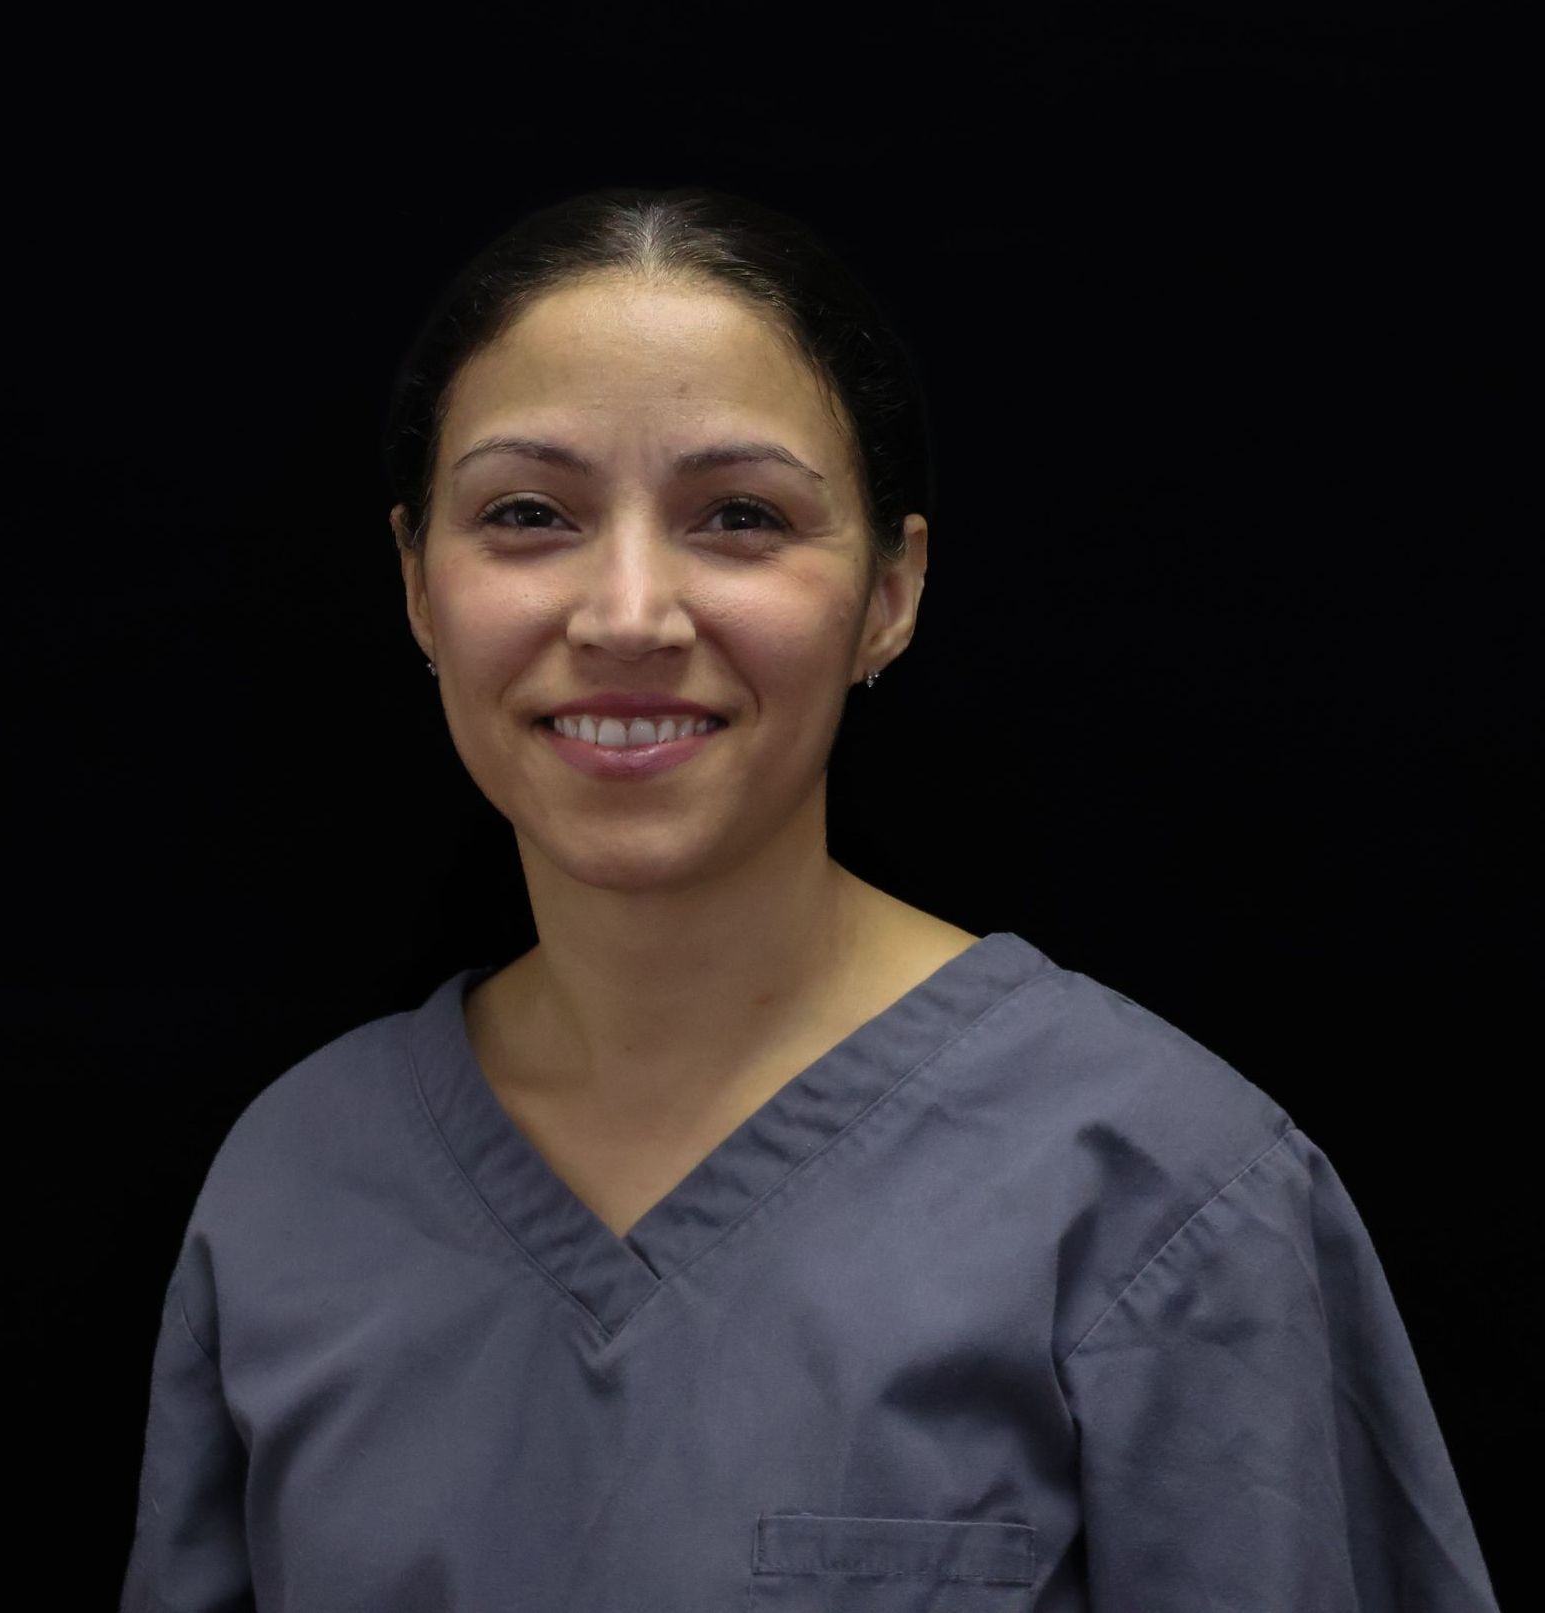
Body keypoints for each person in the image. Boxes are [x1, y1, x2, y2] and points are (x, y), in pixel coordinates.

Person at [117, 186, 1499, 1612]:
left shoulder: (1156, 1192)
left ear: (891, 590)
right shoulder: (294, 1186)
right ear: (417, 585)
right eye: (527, 514)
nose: (629, 613)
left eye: (740, 516)